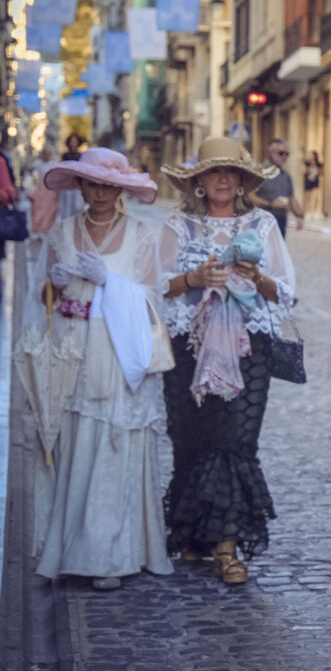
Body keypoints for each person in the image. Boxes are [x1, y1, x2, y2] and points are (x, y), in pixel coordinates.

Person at [23, 147, 172, 590]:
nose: (101, 192)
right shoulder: (62, 232)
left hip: (119, 349)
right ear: (81, 186)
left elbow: (154, 299)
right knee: (74, 443)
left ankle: (112, 555)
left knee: (115, 443)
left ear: (121, 188)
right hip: (74, 350)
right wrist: (57, 283)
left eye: (109, 185)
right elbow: (43, 298)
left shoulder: (143, 234)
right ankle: (72, 549)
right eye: (93, 183)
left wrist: (112, 282)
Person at [158, 137, 297, 584]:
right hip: (189, 346)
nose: (221, 179)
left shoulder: (261, 224)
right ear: (198, 180)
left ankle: (226, 546)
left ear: (240, 180)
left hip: (248, 347)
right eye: (213, 171)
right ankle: (194, 537)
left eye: (230, 171)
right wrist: (192, 278)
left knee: (236, 441)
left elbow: (286, 291)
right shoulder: (178, 225)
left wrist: (257, 277)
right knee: (192, 440)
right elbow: (153, 286)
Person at [248, 138, 304, 237]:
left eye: (287, 154)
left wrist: (299, 215)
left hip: (280, 223)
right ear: (271, 152)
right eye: (281, 153)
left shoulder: (286, 176)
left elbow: (291, 198)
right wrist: (270, 204)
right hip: (261, 222)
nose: (284, 157)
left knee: (278, 252)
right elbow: (250, 196)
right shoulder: (258, 172)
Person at [57, 134, 86, 219]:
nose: (73, 143)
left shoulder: (82, 156)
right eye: (72, 141)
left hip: (77, 184)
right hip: (66, 184)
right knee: (66, 206)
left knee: (78, 206)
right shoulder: (65, 155)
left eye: (75, 141)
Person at [303, 150, 323, 217]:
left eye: (313, 156)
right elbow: (304, 172)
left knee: (315, 197)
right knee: (308, 197)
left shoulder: (319, 164)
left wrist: (317, 169)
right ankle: (308, 211)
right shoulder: (307, 164)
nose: (312, 158)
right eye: (311, 156)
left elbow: (321, 173)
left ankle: (314, 211)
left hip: (315, 182)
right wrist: (310, 166)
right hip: (308, 181)